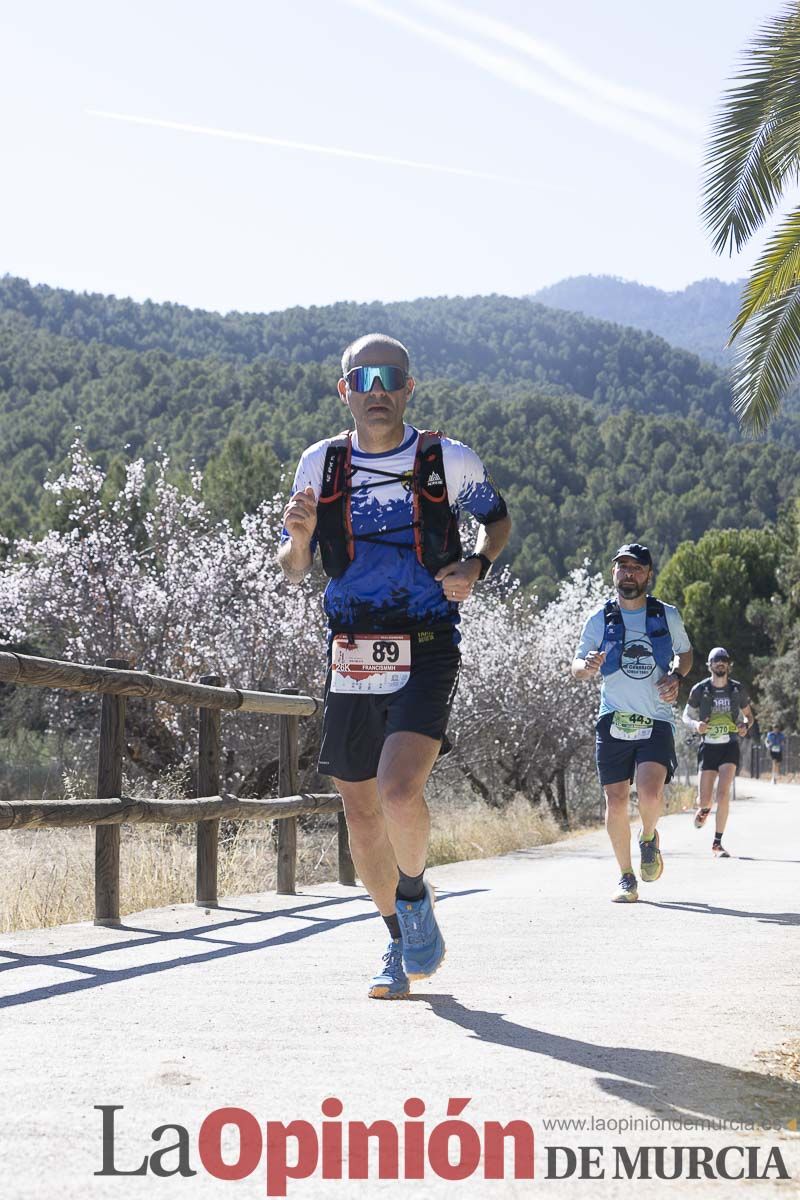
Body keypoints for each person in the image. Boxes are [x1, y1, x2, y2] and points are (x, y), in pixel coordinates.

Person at [278, 333, 511, 998]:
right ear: (344, 389)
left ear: (409, 388)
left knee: (400, 790)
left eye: (391, 376)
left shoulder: (448, 460)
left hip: (429, 641)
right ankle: (396, 939)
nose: (377, 388)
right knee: (359, 812)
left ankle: (414, 898)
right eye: (364, 377)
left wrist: (478, 564)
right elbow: (293, 572)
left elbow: (497, 522)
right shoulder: (319, 466)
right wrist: (297, 541)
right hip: (350, 649)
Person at [571, 544, 693, 902]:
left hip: (656, 716)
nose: (628, 574)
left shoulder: (666, 615)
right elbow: (577, 666)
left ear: (648, 574)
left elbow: (685, 655)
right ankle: (626, 876)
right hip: (613, 718)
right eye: (621, 568)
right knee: (617, 799)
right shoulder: (599, 618)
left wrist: (676, 677)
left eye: (636, 568)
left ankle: (648, 836)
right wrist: (587, 667)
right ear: (614, 574)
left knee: (651, 793)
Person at [682, 647, 753, 857]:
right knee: (705, 799)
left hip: (729, 746)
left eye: (724, 660)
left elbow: (749, 716)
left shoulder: (737, 689)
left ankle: (717, 843)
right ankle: (704, 809)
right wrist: (696, 725)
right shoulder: (700, 689)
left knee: (723, 794)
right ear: (710, 665)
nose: (720, 663)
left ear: (729, 665)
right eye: (716, 660)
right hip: (708, 746)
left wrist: (745, 727)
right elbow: (686, 716)